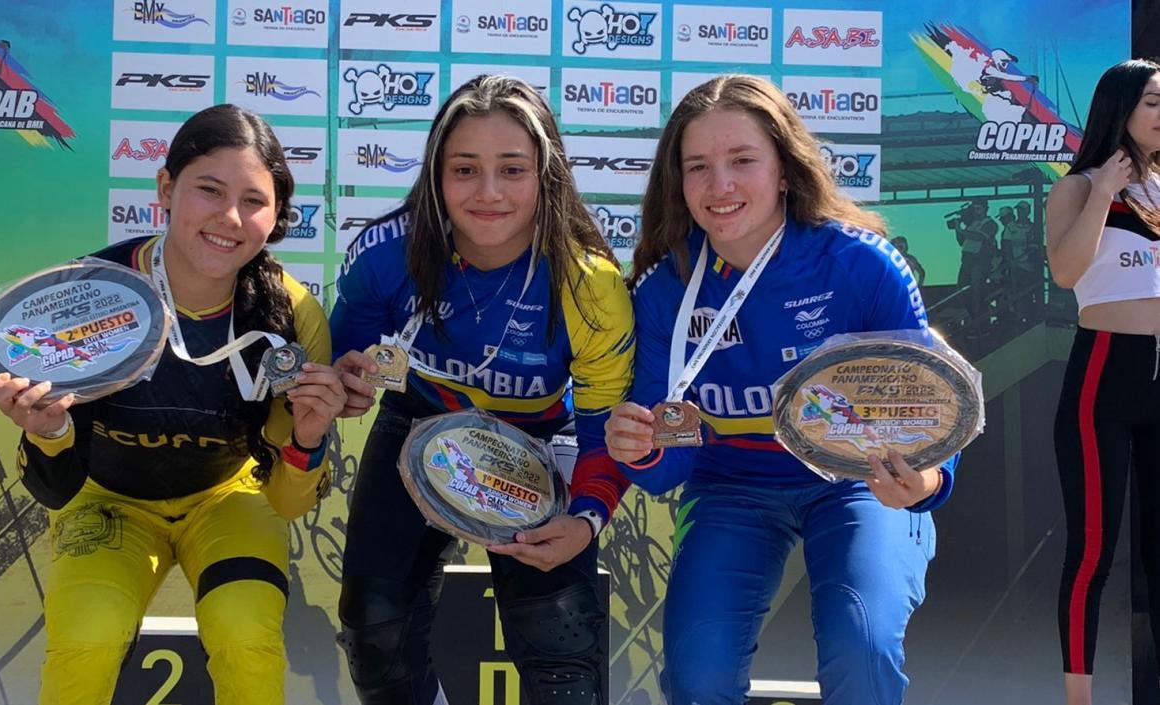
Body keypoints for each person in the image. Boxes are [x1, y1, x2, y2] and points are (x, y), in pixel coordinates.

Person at [604, 74, 958, 705]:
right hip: (733, 489)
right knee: (696, 677)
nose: (721, 186)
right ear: (677, 183)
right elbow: (666, 471)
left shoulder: (861, 264)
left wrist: (927, 481)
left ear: (786, 171)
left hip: (854, 483)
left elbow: (926, 407)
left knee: (862, 646)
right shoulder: (665, 290)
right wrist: (641, 449)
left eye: (743, 160)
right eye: (698, 167)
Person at [0, 104, 345, 705]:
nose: (230, 218)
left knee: (246, 628)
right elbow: (54, 491)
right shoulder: (90, 294)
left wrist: (307, 438)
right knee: (86, 636)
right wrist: (47, 432)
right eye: (209, 190)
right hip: (107, 499)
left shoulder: (292, 316)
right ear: (166, 188)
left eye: (254, 200)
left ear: (278, 215)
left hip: (228, 499)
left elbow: (284, 500)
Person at [329, 74, 634, 705]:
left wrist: (586, 517)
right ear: (436, 175)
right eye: (465, 169)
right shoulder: (386, 256)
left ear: (546, 175)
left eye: (512, 169)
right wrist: (344, 387)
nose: (488, 193)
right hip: (418, 422)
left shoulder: (588, 284)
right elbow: (342, 368)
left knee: (562, 648)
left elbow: (608, 425)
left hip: (541, 443)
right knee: (374, 627)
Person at [1045, 58, 1160, 705]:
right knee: (1093, 546)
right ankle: (1079, 697)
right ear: (1120, 107)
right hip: (1104, 374)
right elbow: (1066, 271)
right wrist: (1103, 192)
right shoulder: (1077, 186)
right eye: (1153, 101)